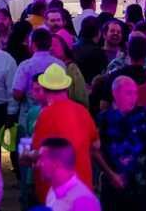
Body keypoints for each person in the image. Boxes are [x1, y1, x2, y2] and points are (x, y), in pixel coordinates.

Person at [30, 64, 100, 204]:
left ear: (44, 90)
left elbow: (37, 153)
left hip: (58, 193)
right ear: (66, 88)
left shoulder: (45, 115)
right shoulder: (82, 111)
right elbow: (96, 145)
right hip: (83, 188)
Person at [94, 75, 146, 210]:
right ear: (115, 94)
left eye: (135, 93)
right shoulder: (103, 119)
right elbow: (95, 150)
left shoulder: (144, 114)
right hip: (115, 185)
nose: (134, 98)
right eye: (129, 93)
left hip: (142, 185)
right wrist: (111, 174)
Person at [36, 138, 101, 211]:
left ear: (56, 163)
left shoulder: (84, 201)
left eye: (42, 159)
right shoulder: (52, 191)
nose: (37, 164)